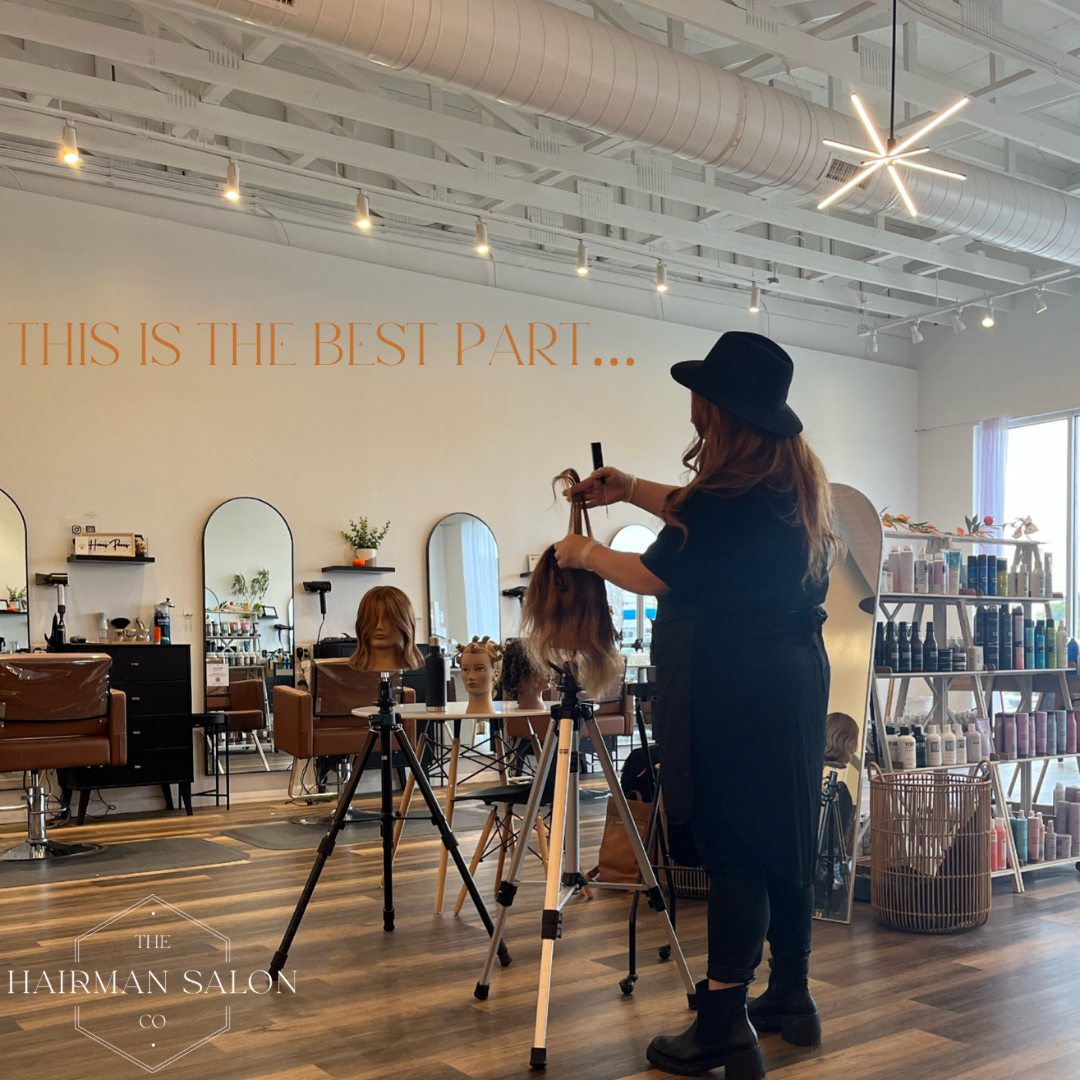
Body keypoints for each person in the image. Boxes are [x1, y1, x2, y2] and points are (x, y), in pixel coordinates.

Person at [555, 331, 838, 1079]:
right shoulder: (788, 482)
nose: (693, 409)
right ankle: (792, 995)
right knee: (784, 835)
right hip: (793, 680)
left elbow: (656, 573)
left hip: (734, 682)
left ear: (720, 410)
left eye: (701, 398)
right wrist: (628, 487)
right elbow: (695, 513)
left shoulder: (729, 496)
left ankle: (722, 1024)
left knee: (735, 846)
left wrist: (583, 555)